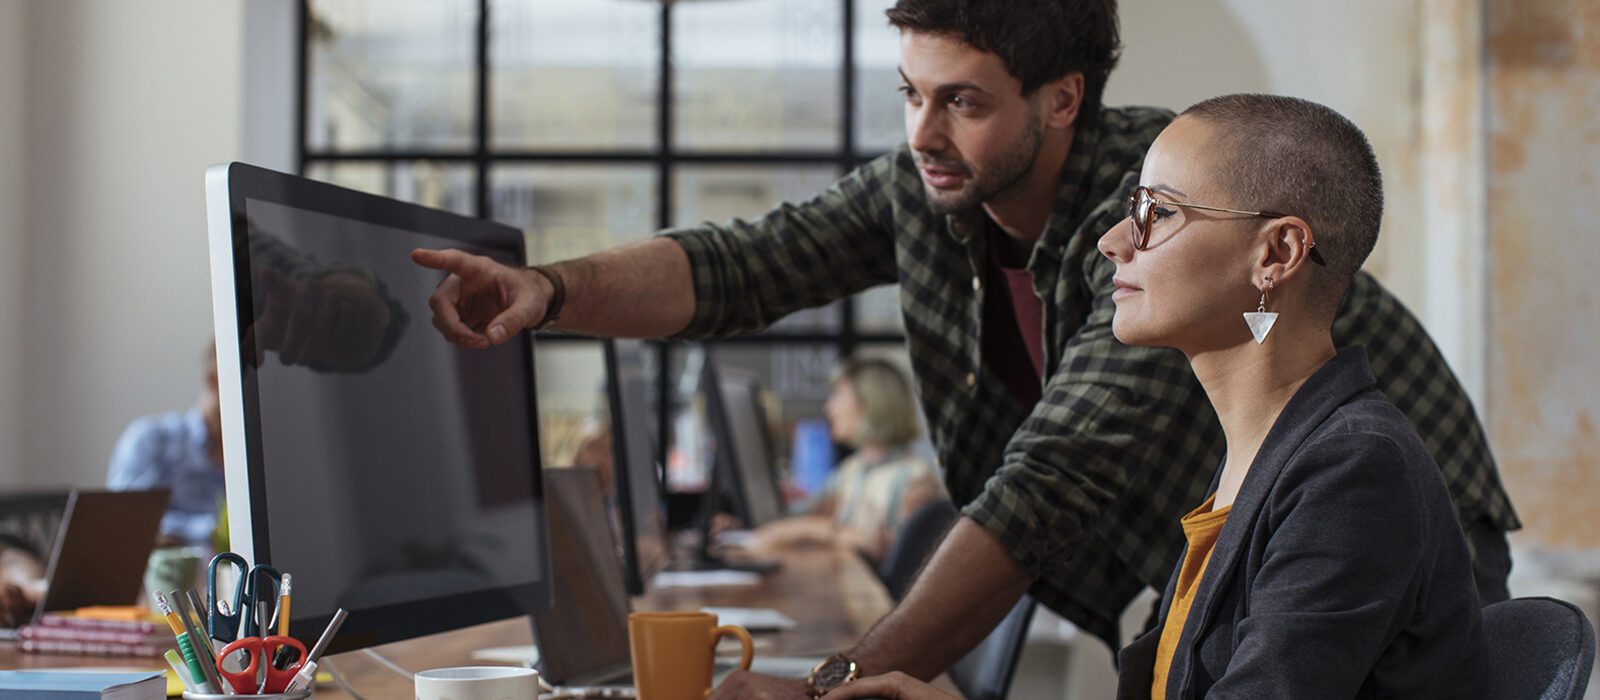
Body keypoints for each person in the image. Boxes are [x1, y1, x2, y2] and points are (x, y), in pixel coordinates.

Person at [411, 2, 1520, 696]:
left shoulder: (1173, 203)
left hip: (1351, 517)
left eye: (962, 102)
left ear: (1061, 100)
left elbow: (1048, 483)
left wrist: (836, 681)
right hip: (1243, 510)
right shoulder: (934, 192)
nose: (921, 133)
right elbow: (745, 264)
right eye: (909, 95)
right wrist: (549, 290)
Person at [825, 94, 1492, 699]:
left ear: (1276, 254)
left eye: (1157, 212)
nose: (1114, 243)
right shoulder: (1255, 459)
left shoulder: (1354, 473)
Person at [751, 358, 946, 565]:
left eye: (838, 396)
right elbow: (800, 512)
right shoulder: (854, 468)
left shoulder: (914, 479)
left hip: (874, 594)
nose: (829, 408)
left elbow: (882, 550)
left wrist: (808, 530)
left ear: (870, 404)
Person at [106, 344, 228, 548]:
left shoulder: (259, 460)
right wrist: (214, 531)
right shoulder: (150, 440)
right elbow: (125, 523)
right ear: (212, 379)